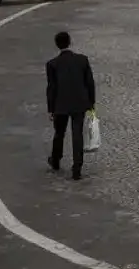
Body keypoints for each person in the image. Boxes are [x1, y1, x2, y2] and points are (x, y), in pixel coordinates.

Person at [46, 31, 95, 180]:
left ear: (57, 45)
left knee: (59, 133)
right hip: (79, 103)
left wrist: (51, 108)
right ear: (70, 42)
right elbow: (90, 83)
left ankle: (55, 159)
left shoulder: (52, 64)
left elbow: (51, 87)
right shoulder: (82, 60)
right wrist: (91, 103)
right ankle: (77, 167)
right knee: (77, 134)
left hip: (60, 103)